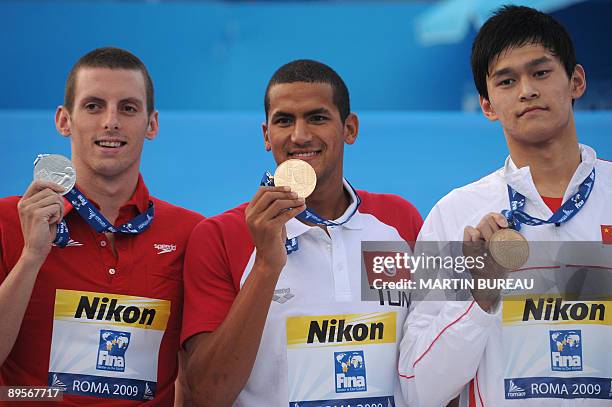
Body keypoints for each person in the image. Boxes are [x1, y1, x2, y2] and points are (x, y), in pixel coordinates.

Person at [398, 5, 612, 407]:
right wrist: (480, 298)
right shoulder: (452, 213)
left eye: (541, 72)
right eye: (507, 80)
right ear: (488, 105)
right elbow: (417, 389)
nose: (527, 90)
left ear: (576, 80)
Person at [181, 59, 423, 406]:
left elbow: (434, 355)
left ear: (349, 129)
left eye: (317, 117)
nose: (300, 135)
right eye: (284, 121)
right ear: (267, 135)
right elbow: (206, 394)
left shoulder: (402, 218)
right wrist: (266, 265)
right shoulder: (218, 235)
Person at [0, 47, 203, 405]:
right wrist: (31, 257)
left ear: (151, 124)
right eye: (93, 106)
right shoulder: (7, 219)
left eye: (128, 107)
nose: (111, 121)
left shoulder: (191, 233)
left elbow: (196, 375)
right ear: (64, 120)